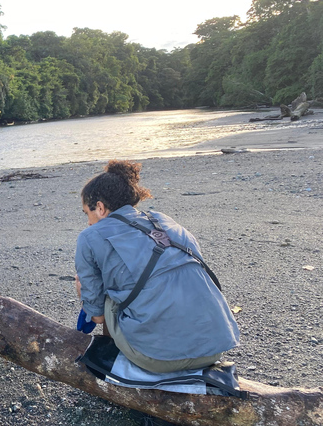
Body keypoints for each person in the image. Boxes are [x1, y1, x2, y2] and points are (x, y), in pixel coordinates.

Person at [74, 160, 239, 373]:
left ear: (100, 208)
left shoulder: (90, 236)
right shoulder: (165, 221)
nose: (88, 222)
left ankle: (114, 363)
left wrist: (84, 294)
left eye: (87, 213)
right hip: (214, 347)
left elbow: (97, 317)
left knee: (100, 290)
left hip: (158, 358)